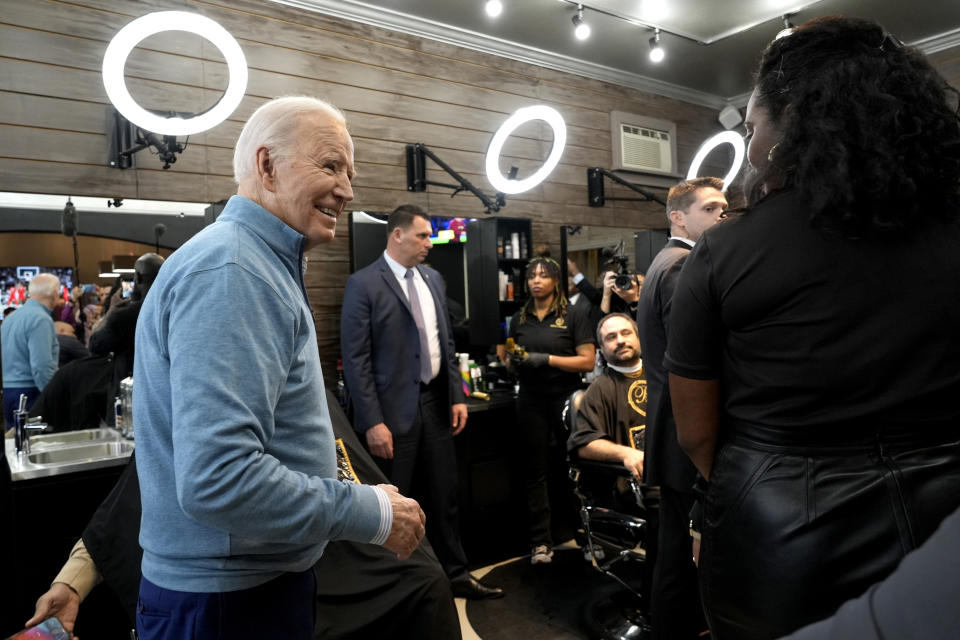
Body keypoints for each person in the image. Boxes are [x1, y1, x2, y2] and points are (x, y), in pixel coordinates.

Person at [665, 17, 960, 639]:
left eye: (751, 126)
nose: (748, 144)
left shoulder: (722, 254)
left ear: (793, 120)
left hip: (784, 539)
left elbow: (696, 434)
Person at [133, 96, 426, 640]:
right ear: (267, 166)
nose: (348, 189)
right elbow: (218, 479)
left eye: (350, 172)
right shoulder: (234, 270)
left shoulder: (252, 261)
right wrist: (369, 512)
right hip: (229, 602)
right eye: (330, 165)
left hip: (244, 589)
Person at [24, 389, 462, 640]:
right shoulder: (207, 399)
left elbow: (343, 465)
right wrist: (72, 580)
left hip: (333, 560)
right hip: (251, 580)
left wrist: (376, 512)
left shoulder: (302, 387)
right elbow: (135, 498)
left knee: (425, 584)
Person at [341, 204, 502, 600]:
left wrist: (457, 395)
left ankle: (457, 576)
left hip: (435, 403)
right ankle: (390, 589)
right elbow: (355, 359)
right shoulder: (364, 284)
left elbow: (444, 344)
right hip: (391, 413)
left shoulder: (432, 279)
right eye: (423, 235)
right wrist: (372, 421)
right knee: (393, 503)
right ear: (397, 235)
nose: (430, 243)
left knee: (445, 495)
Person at [635, 176, 726, 640]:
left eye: (723, 208)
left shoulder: (666, 262)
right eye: (710, 209)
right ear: (678, 216)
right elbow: (691, 362)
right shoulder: (680, 266)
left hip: (673, 433)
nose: (721, 215)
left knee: (675, 555)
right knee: (679, 563)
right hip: (683, 434)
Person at [504, 256, 595, 564]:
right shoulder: (520, 317)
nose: (536, 281)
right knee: (535, 470)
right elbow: (508, 351)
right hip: (530, 400)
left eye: (543, 276)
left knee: (572, 466)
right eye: (531, 276)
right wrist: (511, 360)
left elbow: (587, 361)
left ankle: (585, 536)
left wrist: (546, 359)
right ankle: (541, 542)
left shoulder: (574, 314)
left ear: (556, 280)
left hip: (565, 399)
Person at [567, 312, 647, 481]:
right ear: (601, 349)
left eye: (626, 333)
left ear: (639, 338)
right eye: (611, 337)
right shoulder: (599, 390)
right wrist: (626, 454)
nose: (620, 340)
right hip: (636, 488)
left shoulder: (662, 377)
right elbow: (584, 444)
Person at [88, 253, 164, 424]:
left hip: (128, 398)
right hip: (162, 395)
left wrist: (110, 312)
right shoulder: (171, 310)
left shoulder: (124, 316)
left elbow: (95, 346)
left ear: (137, 277)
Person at [1, 272, 59, 427]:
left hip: (9, 391)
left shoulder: (11, 318)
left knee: (15, 444)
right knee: (35, 444)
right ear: (54, 293)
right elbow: (41, 366)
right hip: (30, 393)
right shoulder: (40, 319)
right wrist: (51, 396)